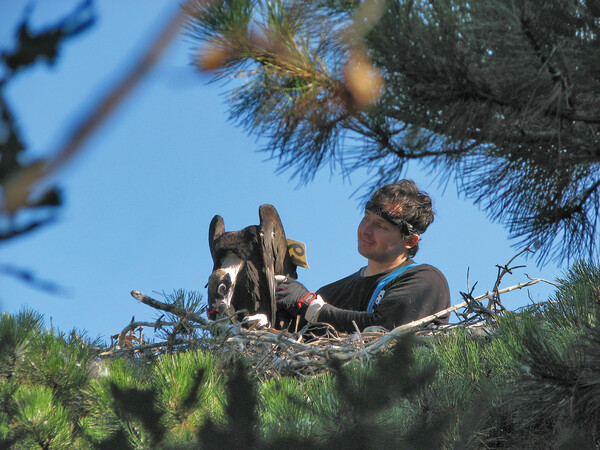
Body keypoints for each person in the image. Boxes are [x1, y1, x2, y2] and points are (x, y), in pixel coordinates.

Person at [276, 179, 451, 332]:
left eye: (381, 226)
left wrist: (311, 307)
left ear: (410, 241)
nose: (366, 231)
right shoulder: (330, 294)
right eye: (366, 218)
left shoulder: (426, 280)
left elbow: (384, 329)